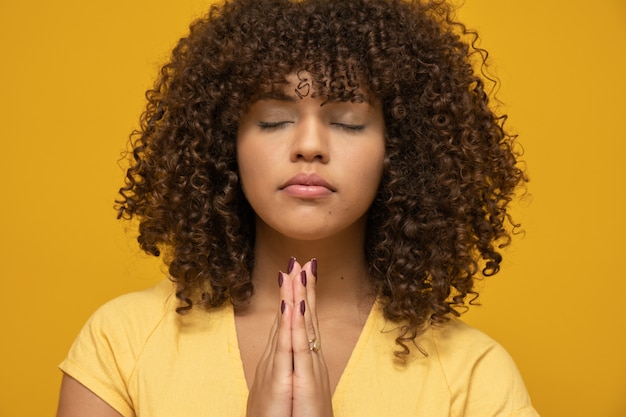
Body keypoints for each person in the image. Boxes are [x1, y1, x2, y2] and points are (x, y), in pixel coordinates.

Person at [57, 0, 539, 415]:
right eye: (273, 120)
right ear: (227, 145)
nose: (309, 145)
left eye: (348, 122)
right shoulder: (121, 343)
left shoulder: (475, 375)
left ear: (402, 151)